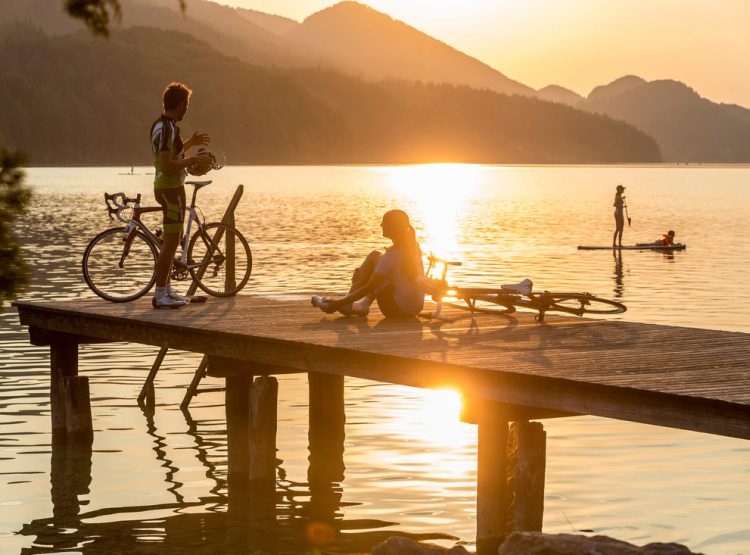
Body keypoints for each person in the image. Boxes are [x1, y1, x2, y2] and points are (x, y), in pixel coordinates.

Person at [150, 82, 211, 308]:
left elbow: (171, 154)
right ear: (180, 104)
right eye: (186, 104)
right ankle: (159, 295)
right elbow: (166, 164)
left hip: (169, 188)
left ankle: (166, 289)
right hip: (169, 188)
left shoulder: (165, 125)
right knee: (171, 243)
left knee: (172, 242)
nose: (187, 109)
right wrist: (192, 160)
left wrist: (190, 144)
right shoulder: (166, 129)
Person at [311, 210, 425, 319]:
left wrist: (338, 303)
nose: (381, 225)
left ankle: (348, 304)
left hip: (395, 310)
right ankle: (362, 304)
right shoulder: (413, 246)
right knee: (376, 258)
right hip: (415, 308)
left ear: (394, 229)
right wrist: (363, 276)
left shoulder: (392, 255)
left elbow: (370, 286)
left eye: (384, 223)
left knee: (375, 263)